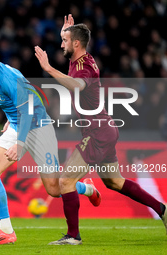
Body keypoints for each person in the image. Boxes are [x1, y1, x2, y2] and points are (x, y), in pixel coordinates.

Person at [34, 14, 167, 245]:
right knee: (114, 182)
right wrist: (66, 32)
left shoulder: (84, 66)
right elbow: (72, 56)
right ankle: (162, 209)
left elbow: (76, 85)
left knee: (65, 181)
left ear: (76, 44)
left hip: (96, 133)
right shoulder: (79, 58)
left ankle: (73, 236)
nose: (61, 44)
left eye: (65, 41)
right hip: (104, 129)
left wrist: (48, 68)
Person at [0, 38, 101, 245]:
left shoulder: (7, 78)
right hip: (18, 124)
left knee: (54, 189)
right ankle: (6, 232)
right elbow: (18, 101)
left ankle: (88, 188)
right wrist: (9, 119)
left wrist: (19, 144)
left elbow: (28, 109)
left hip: (39, 127)